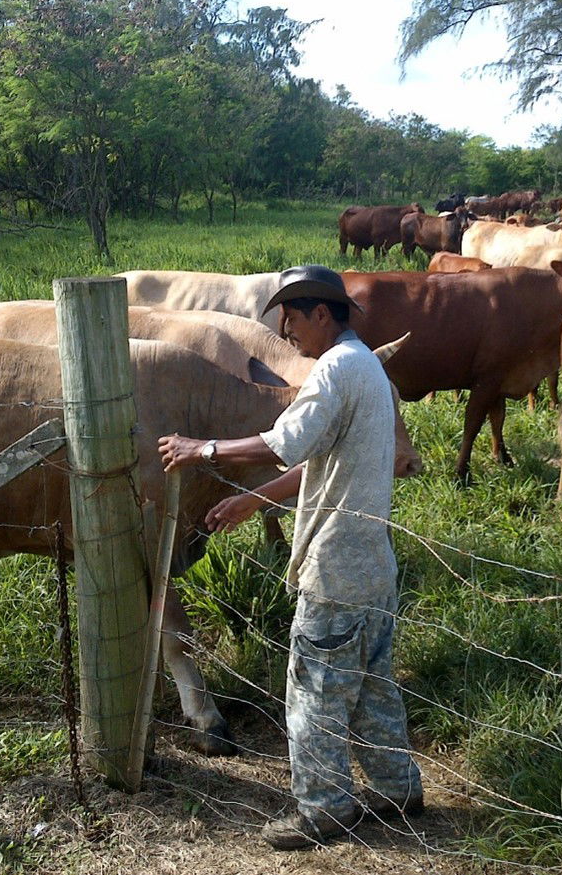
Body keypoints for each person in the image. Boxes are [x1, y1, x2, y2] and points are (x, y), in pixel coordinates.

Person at [158, 264, 423, 850]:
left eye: (293, 316)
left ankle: (324, 811)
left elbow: (283, 442)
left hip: (334, 564)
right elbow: (318, 460)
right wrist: (251, 500)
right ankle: (398, 788)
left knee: (313, 690)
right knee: (373, 683)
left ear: (322, 314)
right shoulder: (369, 370)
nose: (284, 328)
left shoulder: (334, 369)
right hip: (372, 560)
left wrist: (201, 448)